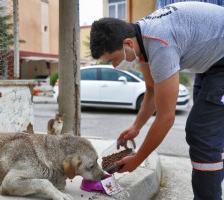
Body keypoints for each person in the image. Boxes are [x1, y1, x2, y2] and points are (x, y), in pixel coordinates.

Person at [90, 2, 224, 199]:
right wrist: (136, 126)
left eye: (113, 59)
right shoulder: (141, 42)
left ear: (127, 43)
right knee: (210, 134)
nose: (115, 65)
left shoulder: (159, 45)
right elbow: (152, 89)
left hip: (219, 62)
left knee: (201, 134)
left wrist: (138, 159)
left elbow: (166, 118)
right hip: (211, 62)